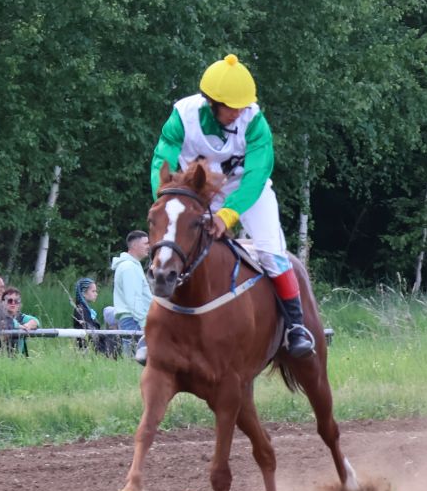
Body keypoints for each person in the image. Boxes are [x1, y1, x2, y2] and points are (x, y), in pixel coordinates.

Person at [149, 53, 314, 356]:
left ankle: (295, 326)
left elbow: (257, 173)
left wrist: (228, 214)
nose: (238, 112)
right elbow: (163, 159)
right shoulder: (182, 115)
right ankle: (154, 331)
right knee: (171, 248)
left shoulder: (255, 121)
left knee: (270, 251)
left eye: (242, 106)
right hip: (194, 189)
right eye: (231, 107)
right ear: (211, 102)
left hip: (245, 189)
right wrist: (166, 196)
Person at [107, 230, 152, 363]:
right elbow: (134, 300)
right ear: (134, 246)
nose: (149, 246)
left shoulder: (132, 266)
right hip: (135, 320)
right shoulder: (128, 268)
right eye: (146, 243)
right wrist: (144, 322)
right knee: (135, 363)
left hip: (134, 319)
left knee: (135, 362)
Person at [1, 288, 40, 356]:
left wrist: (28, 326)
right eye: (10, 301)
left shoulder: (21, 317)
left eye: (16, 301)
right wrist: (18, 326)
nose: (13, 303)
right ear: (3, 302)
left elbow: (35, 321)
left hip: (19, 359)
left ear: (19, 304)